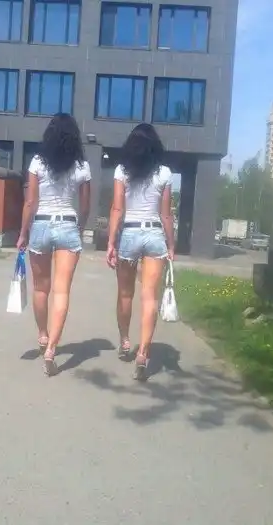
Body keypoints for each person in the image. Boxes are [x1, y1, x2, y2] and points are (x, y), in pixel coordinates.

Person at [16, 113, 91, 376]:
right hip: (68, 224)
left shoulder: (37, 161)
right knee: (62, 291)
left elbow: (30, 202)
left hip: (41, 225)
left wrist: (23, 233)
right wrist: (80, 228)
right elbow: (85, 206)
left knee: (41, 288)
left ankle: (42, 335)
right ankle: (51, 350)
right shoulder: (82, 166)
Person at [106, 123, 175, 380]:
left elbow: (117, 209)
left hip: (130, 233)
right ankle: (143, 353)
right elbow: (166, 214)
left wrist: (111, 242)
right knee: (149, 297)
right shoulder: (164, 173)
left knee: (125, 294)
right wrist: (171, 245)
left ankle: (125, 341)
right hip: (155, 234)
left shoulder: (122, 171)